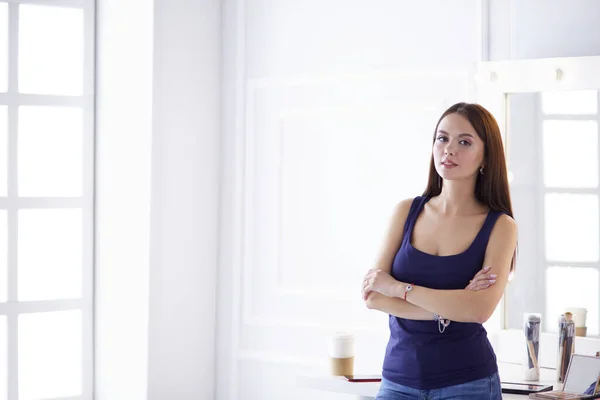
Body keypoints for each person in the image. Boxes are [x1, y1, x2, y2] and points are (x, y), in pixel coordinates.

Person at [361, 102, 518, 400]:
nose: (449, 149)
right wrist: (450, 308)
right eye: (442, 138)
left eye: (464, 142)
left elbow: (479, 310)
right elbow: (373, 296)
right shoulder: (406, 211)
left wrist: (397, 288)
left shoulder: (501, 226)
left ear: (486, 156)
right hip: (398, 380)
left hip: (468, 383)